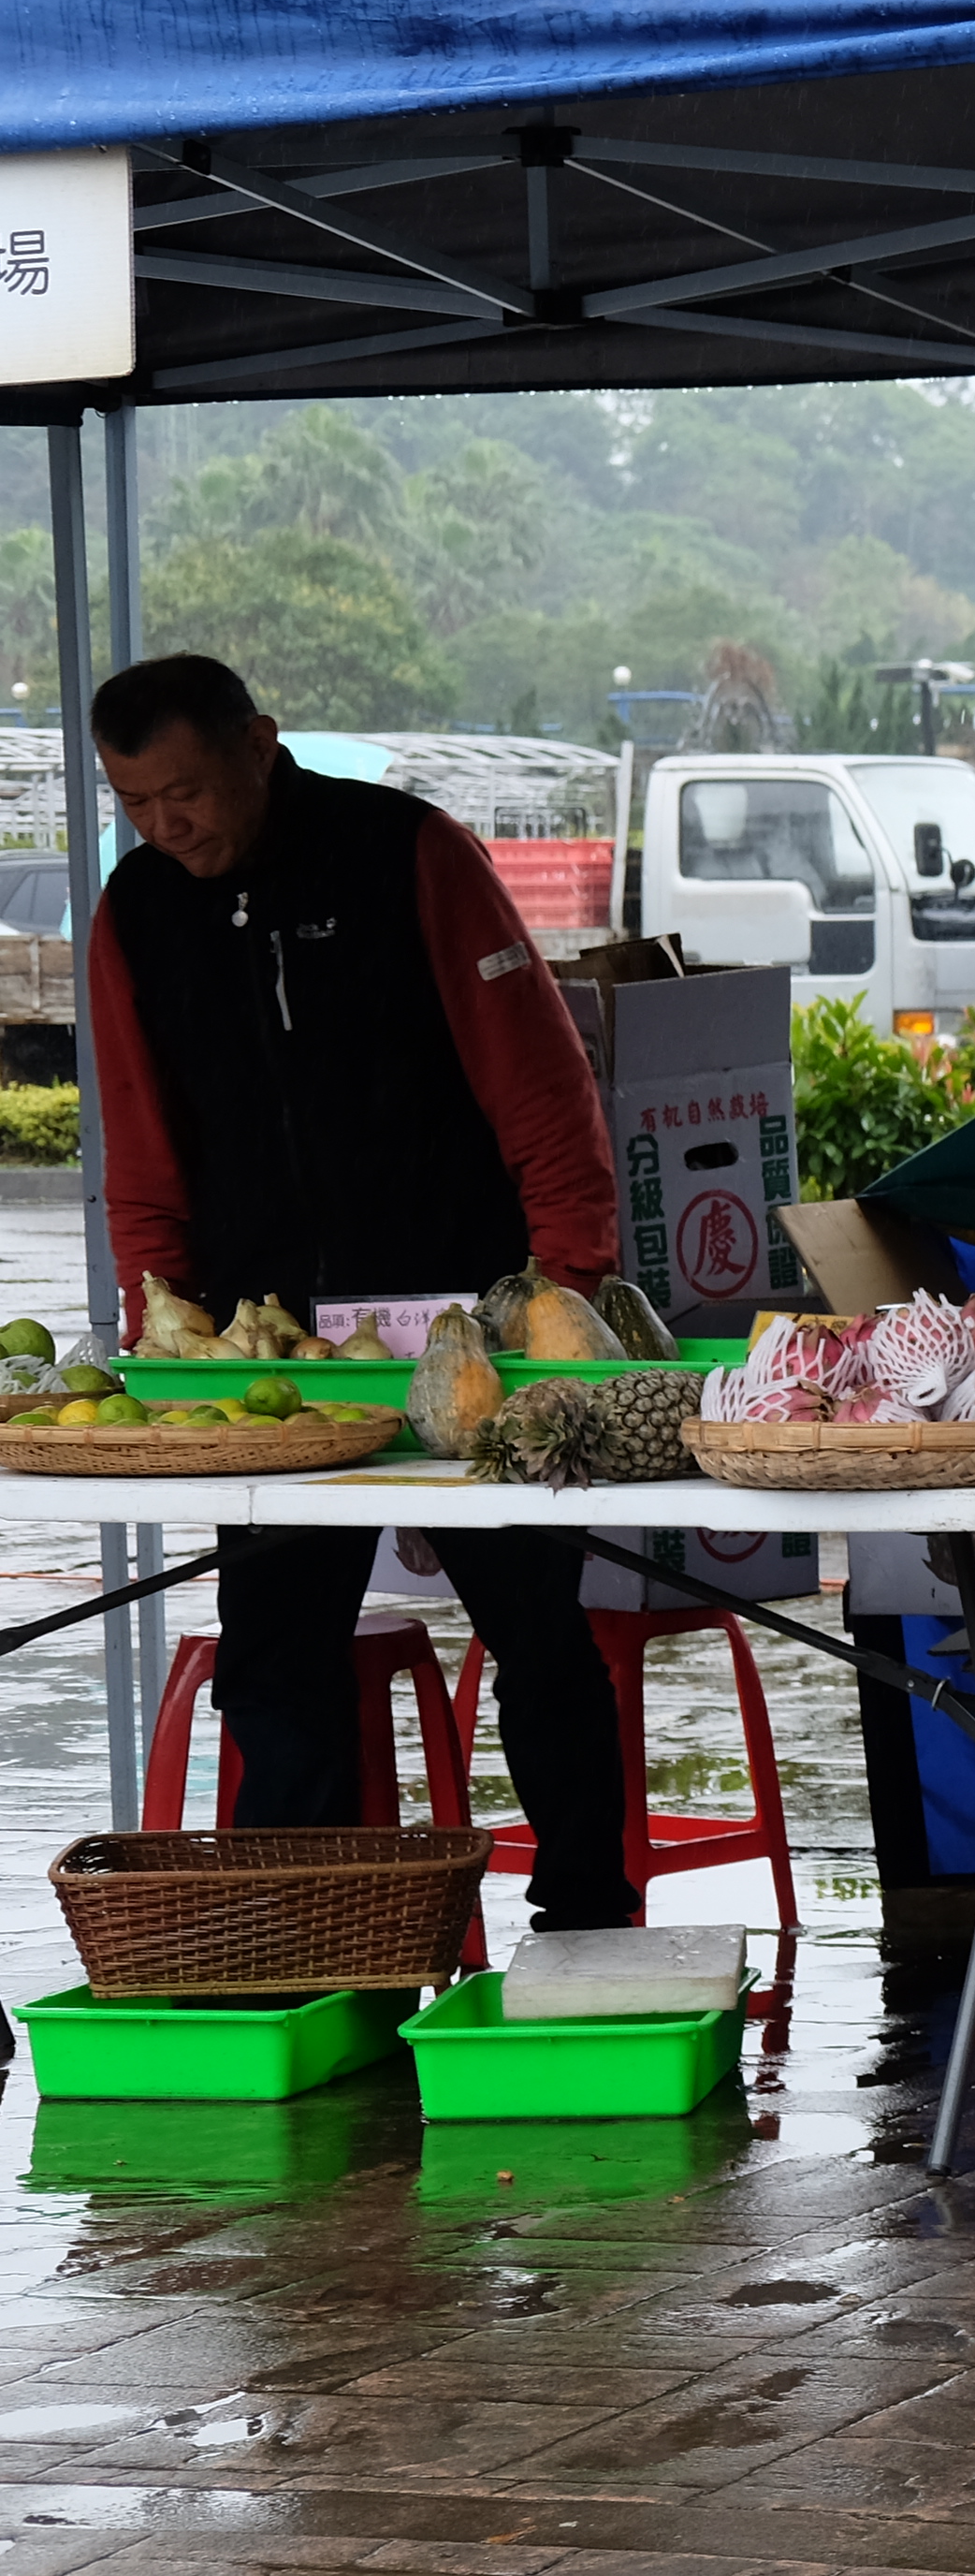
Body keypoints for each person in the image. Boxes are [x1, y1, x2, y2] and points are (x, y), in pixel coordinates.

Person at [86, 652, 638, 1931]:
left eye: (188, 792)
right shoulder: (135, 912)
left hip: (471, 1325)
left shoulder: (408, 854)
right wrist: (157, 1325)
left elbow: (540, 1085)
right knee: (276, 1659)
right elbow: (139, 1142)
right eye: (138, 805)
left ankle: (587, 1921)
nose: (170, 826)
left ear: (260, 744)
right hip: (268, 1359)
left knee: (540, 1639)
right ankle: (303, 1938)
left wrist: (568, 1289)